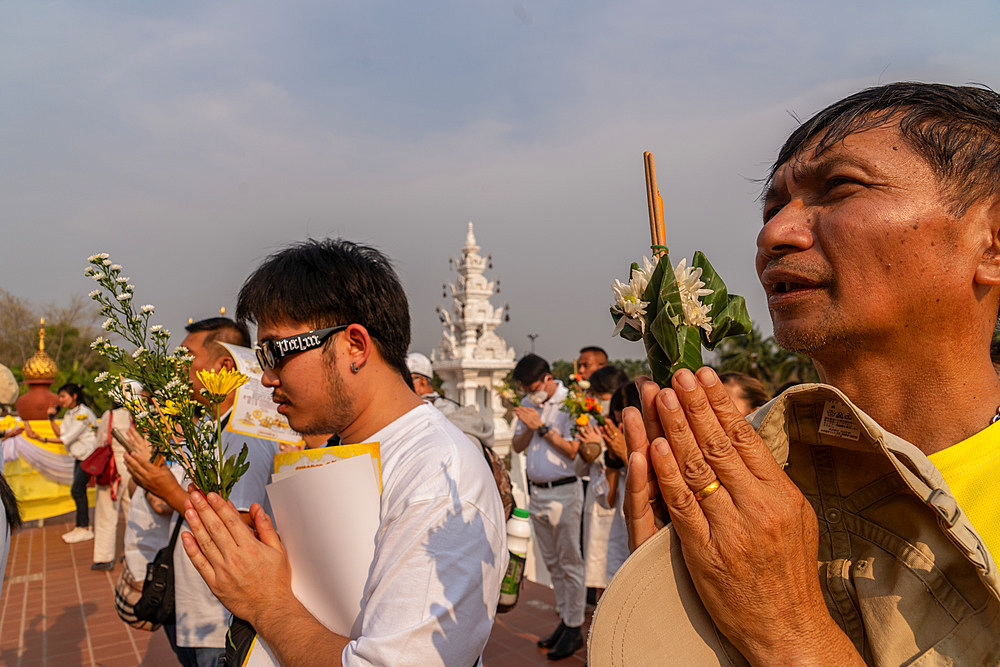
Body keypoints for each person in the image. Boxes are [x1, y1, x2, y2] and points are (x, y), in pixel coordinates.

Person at [623, 82, 1000, 664]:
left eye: (841, 187)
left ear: (992, 243)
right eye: (774, 208)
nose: (775, 235)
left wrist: (789, 633)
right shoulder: (737, 477)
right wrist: (661, 613)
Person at [179, 239, 506, 666]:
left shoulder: (437, 478)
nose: (266, 379)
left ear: (354, 345)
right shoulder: (342, 448)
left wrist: (265, 602)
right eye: (261, 358)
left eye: (276, 353)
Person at [124, 317, 281, 667]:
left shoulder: (244, 436)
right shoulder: (210, 427)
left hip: (219, 616)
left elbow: (243, 524)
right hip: (198, 604)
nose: (175, 368)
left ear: (224, 366)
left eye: (185, 358)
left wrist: (165, 488)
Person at [511, 353, 585, 661]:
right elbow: (516, 446)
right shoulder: (530, 404)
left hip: (565, 492)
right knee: (553, 563)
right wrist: (529, 425)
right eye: (525, 390)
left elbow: (573, 451)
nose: (530, 393)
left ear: (547, 379)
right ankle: (566, 622)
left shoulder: (572, 403)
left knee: (570, 563)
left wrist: (541, 426)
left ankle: (575, 627)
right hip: (537, 493)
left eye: (533, 387)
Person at [578, 365, 628, 597]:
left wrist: (614, 449)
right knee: (599, 575)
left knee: (621, 581)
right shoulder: (590, 423)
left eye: (600, 395)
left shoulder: (629, 425)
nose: (595, 401)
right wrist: (593, 448)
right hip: (600, 500)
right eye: (593, 395)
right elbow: (579, 468)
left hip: (624, 505)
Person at [26, 383, 98, 544]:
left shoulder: (83, 414)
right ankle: (81, 526)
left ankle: (85, 527)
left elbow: (66, 439)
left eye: (63, 396)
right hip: (79, 457)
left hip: (88, 456)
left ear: (74, 396)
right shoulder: (70, 413)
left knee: (77, 490)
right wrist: (51, 419)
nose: (60, 400)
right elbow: (61, 433)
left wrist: (41, 438)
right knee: (78, 491)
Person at [91, 397, 135, 571]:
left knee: (106, 511)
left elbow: (101, 441)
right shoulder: (136, 416)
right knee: (132, 510)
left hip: (113, 466)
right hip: (131, 464)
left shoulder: (110, 415)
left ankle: (104, 557)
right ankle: (132, 552)